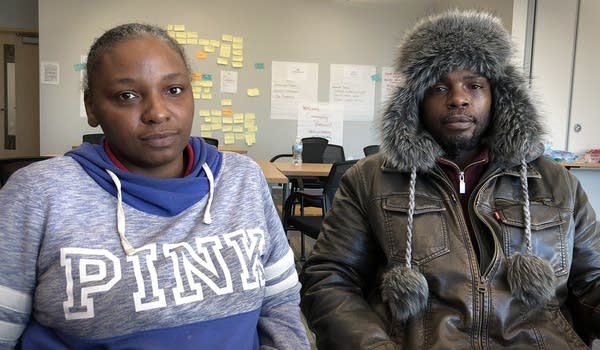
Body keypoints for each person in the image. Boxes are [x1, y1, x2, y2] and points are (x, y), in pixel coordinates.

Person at [300, 10, 600, 349]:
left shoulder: (557, 183)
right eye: (439, 86)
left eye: (474, 85)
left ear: (499, 96)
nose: (458, 98)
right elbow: (328, 281)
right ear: (415, 100)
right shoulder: (368, 181)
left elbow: (591, 281)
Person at [0, 23, 309, 349]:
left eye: (173, 90)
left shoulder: (242, 179)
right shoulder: (38, 195)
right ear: (91, 107)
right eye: (127, 95)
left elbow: (281, 302)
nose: (158, 113)